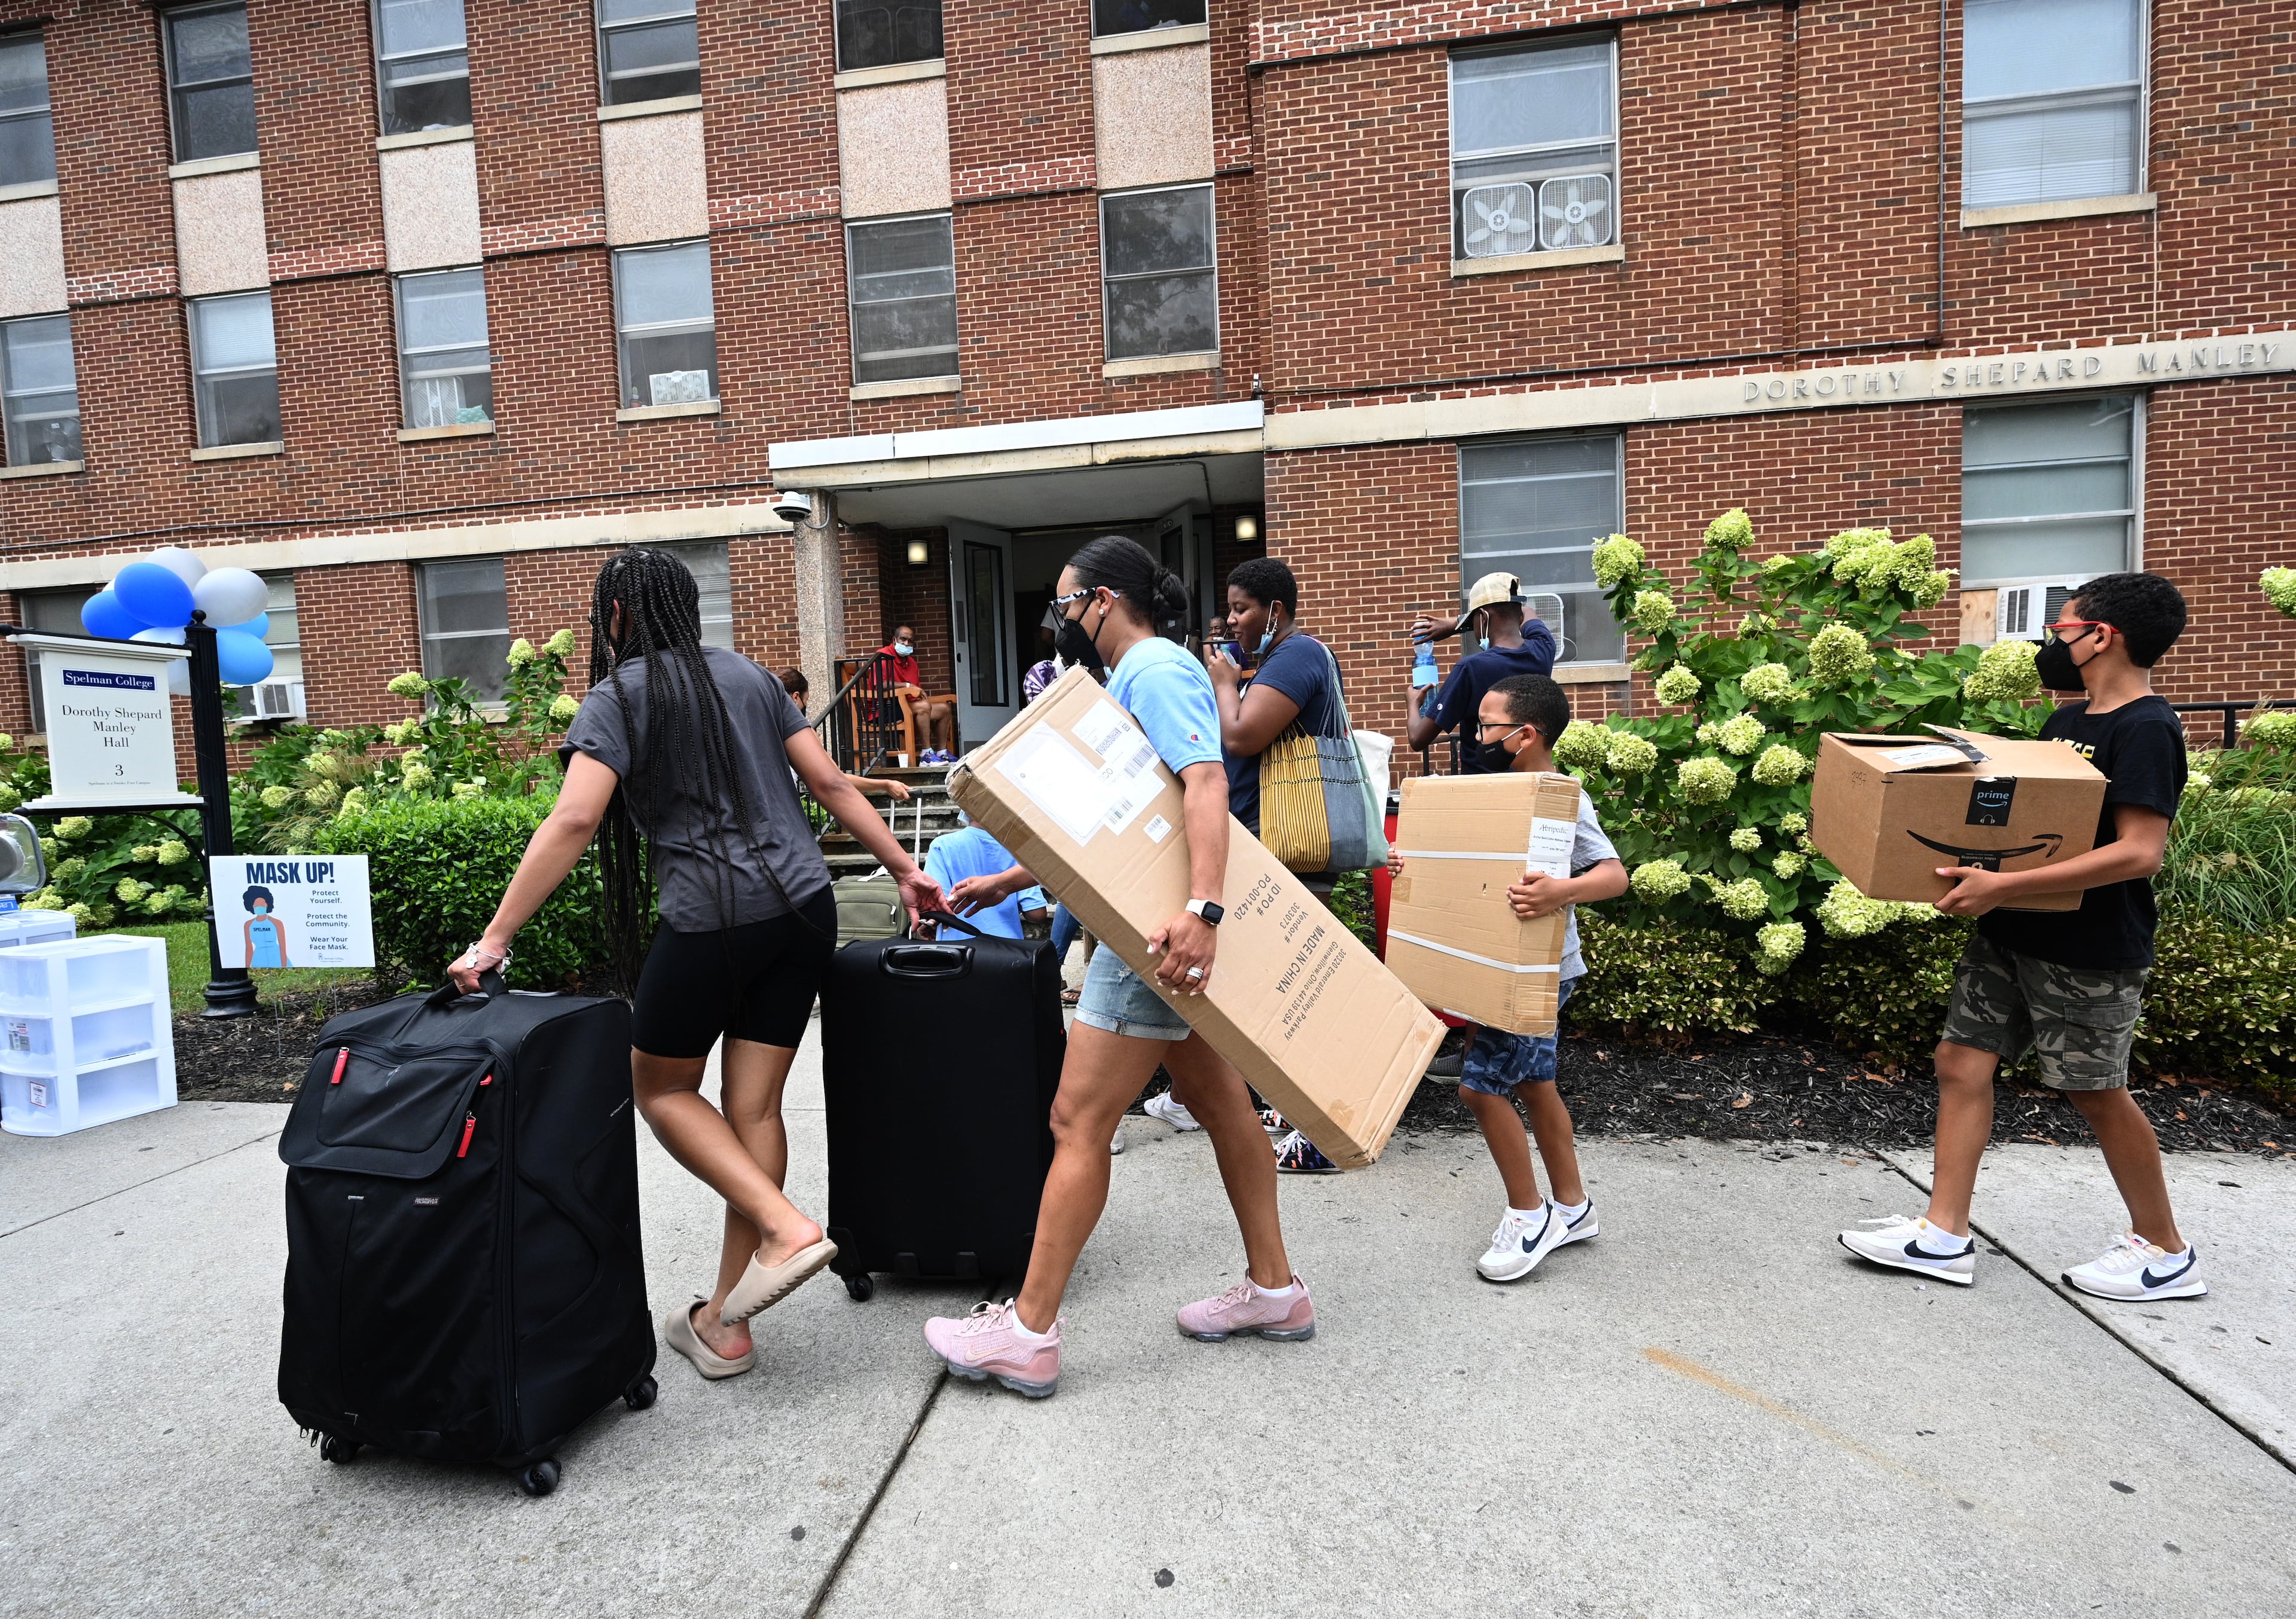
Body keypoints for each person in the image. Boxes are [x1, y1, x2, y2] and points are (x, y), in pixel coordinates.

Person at [447, 548, 944, 1384]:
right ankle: (724, 1321)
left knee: (663, 1089)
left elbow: (573, 822)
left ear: (615, 617)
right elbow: (826, 781)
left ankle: (786, 1229)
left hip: (715, 919)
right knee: (752, 1110)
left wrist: (494, 938)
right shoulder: (748, 676)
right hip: (802, 909)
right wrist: (903, 866)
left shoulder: (617, 697)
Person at [920, 535, 1311, 1397]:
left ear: (1102, 601)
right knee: (1220, 1103)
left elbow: (1205, 784)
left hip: (1157, 935)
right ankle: (1276, 1290)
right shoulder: (1138, 676)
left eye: (1065, 603)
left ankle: (1027, 1332)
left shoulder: (1156, 671)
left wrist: (1204, 913)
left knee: (1076, 1122)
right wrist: (1011, 875)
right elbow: (1129, 821)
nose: (1060, 618)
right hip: (1156, 920)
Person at [1839, 572, 2204, 1301]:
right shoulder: (2064, 724)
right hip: (2012, 932)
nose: (2051, 643)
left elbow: (2140, 851)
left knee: (2094, 1089)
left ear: (2104, 636)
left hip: (2091, 945)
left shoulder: (2146, 727)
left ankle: (2165, 1248)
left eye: (2062, 628)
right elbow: (2029, 830)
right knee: (1960, 1060)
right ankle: (1944, 1234)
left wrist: (2002, 885)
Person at [1390, 674, 1626, 1279]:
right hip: (1506, 964)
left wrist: (1560, 891)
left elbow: (1613, 875)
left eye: (1487, 725)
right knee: (1534, 1083)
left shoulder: (1556, 795)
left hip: (1538, 970)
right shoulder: (1499, 794)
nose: (1476, 734)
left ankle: (1529, 1216)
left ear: (1525, 735)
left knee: (1480, 1087)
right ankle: (1573, 1206)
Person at [1406, 573, 1558, 771]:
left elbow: (1418, 738)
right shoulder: (1544, 648)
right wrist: (1457, 623)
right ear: (1518, 615)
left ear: (1483, 618)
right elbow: (1527, 610)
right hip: (1526, 783)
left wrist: (1413, 703)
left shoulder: (1471, 669)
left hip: (1483, 788)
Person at [777, 667, 911, 803]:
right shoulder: (802, 733)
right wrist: (885, 785)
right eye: (806, 701)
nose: (805, 706)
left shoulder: (760, 727)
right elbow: (836, 778)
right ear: (795, 698)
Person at [924, 813, 1051, 940]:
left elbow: (938, 907)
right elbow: (1037, 914)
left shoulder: (941, 846)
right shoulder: (1017, 850)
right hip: (1008, 949)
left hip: (956, 950)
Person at [880, 624, 955, 762]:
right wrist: (907, 685)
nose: (906, 643)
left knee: (945, 709)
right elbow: (881, 685)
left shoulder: (912, 663)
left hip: (907, 705)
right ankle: (926, 755)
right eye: (903, 639)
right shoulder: (883, 657)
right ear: (894, 640)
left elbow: (916, 693)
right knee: (924, 707)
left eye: (910, 641)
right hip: (887, 708)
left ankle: (941, 752)